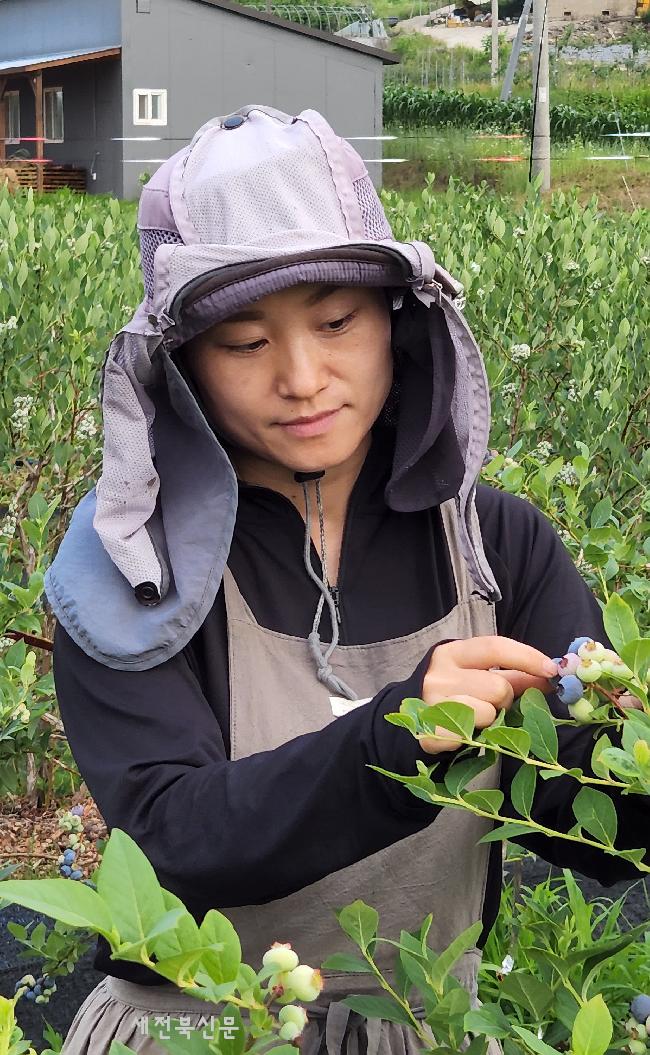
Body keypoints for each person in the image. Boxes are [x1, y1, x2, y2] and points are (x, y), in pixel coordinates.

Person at [44, 104, 648, 1055]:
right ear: (181, 366)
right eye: (244, 343)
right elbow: (174, 839)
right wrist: (403, 733)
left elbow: (585, 826)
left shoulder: (496, 543)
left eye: (336, 322)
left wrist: (627, 751)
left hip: (424, 1027)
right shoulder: (131, 570)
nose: (302, 376)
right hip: (200, 1030)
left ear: (397, 326)